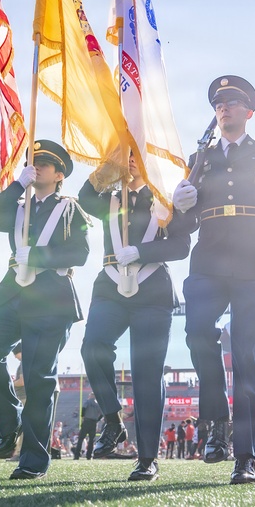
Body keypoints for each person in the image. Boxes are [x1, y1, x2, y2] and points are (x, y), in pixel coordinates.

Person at [171, 75, 255, 485]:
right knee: (195, 334)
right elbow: (186, 225)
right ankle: (217, 424)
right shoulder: (200, 158)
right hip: (206, 260)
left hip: (251, 262)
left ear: (249, 111)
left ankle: (244, 455)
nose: (224, 106)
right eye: (219, 102)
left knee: (246, 360)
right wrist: (182, 205)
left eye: (233, 101)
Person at [0, 139, 90, 481]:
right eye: (31, 161)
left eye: (43, 162)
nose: (35, 166)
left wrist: (38, 257)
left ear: (58, 174)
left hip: (51, 298)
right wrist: (16, 185)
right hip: (12, 294)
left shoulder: (70, 208)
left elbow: (80, 254)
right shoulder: (18, 203)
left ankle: (33, 460)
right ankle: (10, 425)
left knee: (39, 379)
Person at [78, 154, 191, 480]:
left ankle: (147, 458)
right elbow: (85, 197)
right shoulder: (110, 200)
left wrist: (143, 251)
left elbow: (181, 246)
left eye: (136, 154)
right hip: (111, 288)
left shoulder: (164, 200)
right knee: (93, 347)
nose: (130, 160)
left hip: (152, 292)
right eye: (125, 155)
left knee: (146, 373)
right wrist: (106, 166)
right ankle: (113, 420)